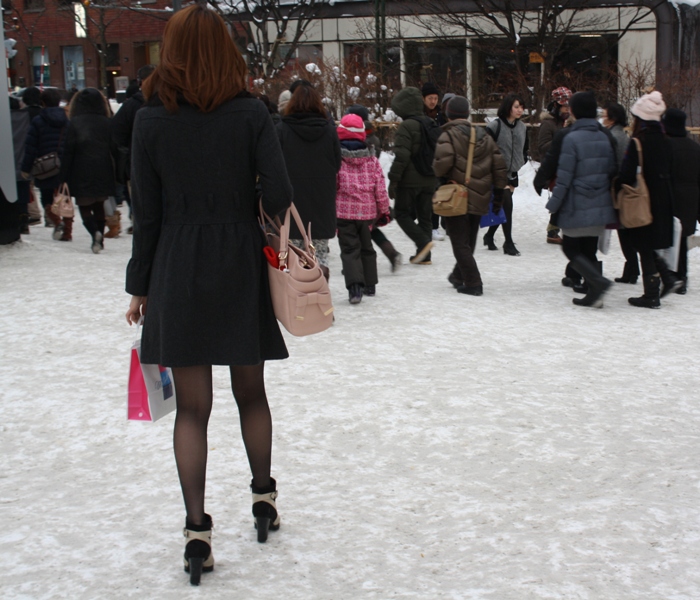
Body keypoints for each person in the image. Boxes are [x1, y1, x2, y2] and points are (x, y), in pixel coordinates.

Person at [124, 4, 293, 586]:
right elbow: (279, 193)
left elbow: (145, 215)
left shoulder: (150, 121)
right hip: (240, 262)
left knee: (192, 409)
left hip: (176, 264)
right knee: (252, 393)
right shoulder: (250, 114)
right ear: (226, 48)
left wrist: (140, 287)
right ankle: (264, 499)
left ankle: (197, 534)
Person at [546, 92, 617, 308]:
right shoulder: (606, 136)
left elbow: (564, 178)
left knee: (570, 248)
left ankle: (597, 283)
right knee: (589, 248)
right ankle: (594, 291)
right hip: (600, 201)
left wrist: (553, 204)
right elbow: (613, 170)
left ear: (574, 111)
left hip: (577, 203)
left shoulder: (572, 138)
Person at [433, 96, 507, 296]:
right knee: (470, 239)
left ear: (448, 114)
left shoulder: (447, 136)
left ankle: (474, 282)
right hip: (481, 195)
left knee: (459, 242)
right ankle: (458, 276)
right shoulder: (484, 135)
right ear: (467, 114)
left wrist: (441, 180)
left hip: (457, 195)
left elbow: (441, 166)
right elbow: (499, 167)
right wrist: (498, 193)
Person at [616, 91, 682, 308]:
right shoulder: (666, 140)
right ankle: (668, 277)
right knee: (650, 242)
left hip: (644, 197)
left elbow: (626, 173)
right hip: (664, 195)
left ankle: (651, 293)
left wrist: (617, 186)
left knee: (643, 243)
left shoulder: (638, 141)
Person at [276, 84, 341, 281]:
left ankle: (299, 306)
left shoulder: (281, 130)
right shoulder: (329, 131)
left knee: (294, 259)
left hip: (291, 206)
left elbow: (275, 167)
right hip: (322, 204)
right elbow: (337, 164)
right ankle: (320, 302)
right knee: (320, 256)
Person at [335, 114, 391, 303]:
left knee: (350, 249)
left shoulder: (337, 159)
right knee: (366, 247)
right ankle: (370, 284)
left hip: (343, 212)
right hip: (367, 213)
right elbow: (380, 188)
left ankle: (355, 287)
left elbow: (333, 186)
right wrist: (384, 210)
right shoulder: (372, 160)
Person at [59, 88, 116, 251]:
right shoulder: (107, 122)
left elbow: (68, 151)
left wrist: (63, 176)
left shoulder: (74, 123)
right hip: (103, 168)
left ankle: (94, 235)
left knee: (85, 207)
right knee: (99, 205)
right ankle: (100, 236)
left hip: (80, 169)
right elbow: (114, 148)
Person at [388, 87, 436, 265]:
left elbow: (402, 156)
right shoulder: (430, 123)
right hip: (430, 177)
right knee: (425, 216)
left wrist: (393, 180)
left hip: (409, 181)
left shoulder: (406, 126)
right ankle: (425, 256)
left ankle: (422, 243)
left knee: (401, 213)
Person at [111, 63, 156, 236]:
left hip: (138, 162)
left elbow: (116, 132)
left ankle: (142, 227)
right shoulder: (171, 102)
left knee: (142, 201)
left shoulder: (132, 106)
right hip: (155, 161)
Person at [661, 108, 700, 294]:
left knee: (665, 239)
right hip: (690, 198)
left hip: (669, 197)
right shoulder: (694, 147)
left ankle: (668, 275)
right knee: (682, 239)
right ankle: (682, 278)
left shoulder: (666, 145)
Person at [20, 88, 69, 237]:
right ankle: (67, 229)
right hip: (63, 162)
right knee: (64, 196)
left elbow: (30, 147)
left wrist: (25, 168)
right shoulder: (66, 119)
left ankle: (55, 221)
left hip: (44, 165)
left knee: (46, 195)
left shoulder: (38, 121)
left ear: (43, 102)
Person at [483, 93, 528, 256]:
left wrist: (520, 161)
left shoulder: (522, 127)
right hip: (496, 173)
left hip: (512, 172)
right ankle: (508, 243)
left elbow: (524, 148)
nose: (520, 110)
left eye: (522, 107)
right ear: (508, 107)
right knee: (507, 205)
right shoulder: (495, 126)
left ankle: (489, 236)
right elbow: (484, 149)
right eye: (516, 106)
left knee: (501, 206)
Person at [601, 102, 638, 284]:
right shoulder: (624, 135)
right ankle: (632, 268)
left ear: (612, 117)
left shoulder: (612, 136)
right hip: (624, 187)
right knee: (626, 231)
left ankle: (632, 268)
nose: (602, 117)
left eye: (605, 114)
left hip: (615, 188)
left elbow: (610, 164)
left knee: (623, 231)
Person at [538, 86, 572, 244]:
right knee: (561, 198)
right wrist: (561, 139)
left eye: (569, 107)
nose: (567, 110)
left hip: (567, 165)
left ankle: (556, 229)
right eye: (565, 106)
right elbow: (542, 146)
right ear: (557, 106)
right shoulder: (548, 124)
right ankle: (553, 231)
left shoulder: (568, 122)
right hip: (555, 168)